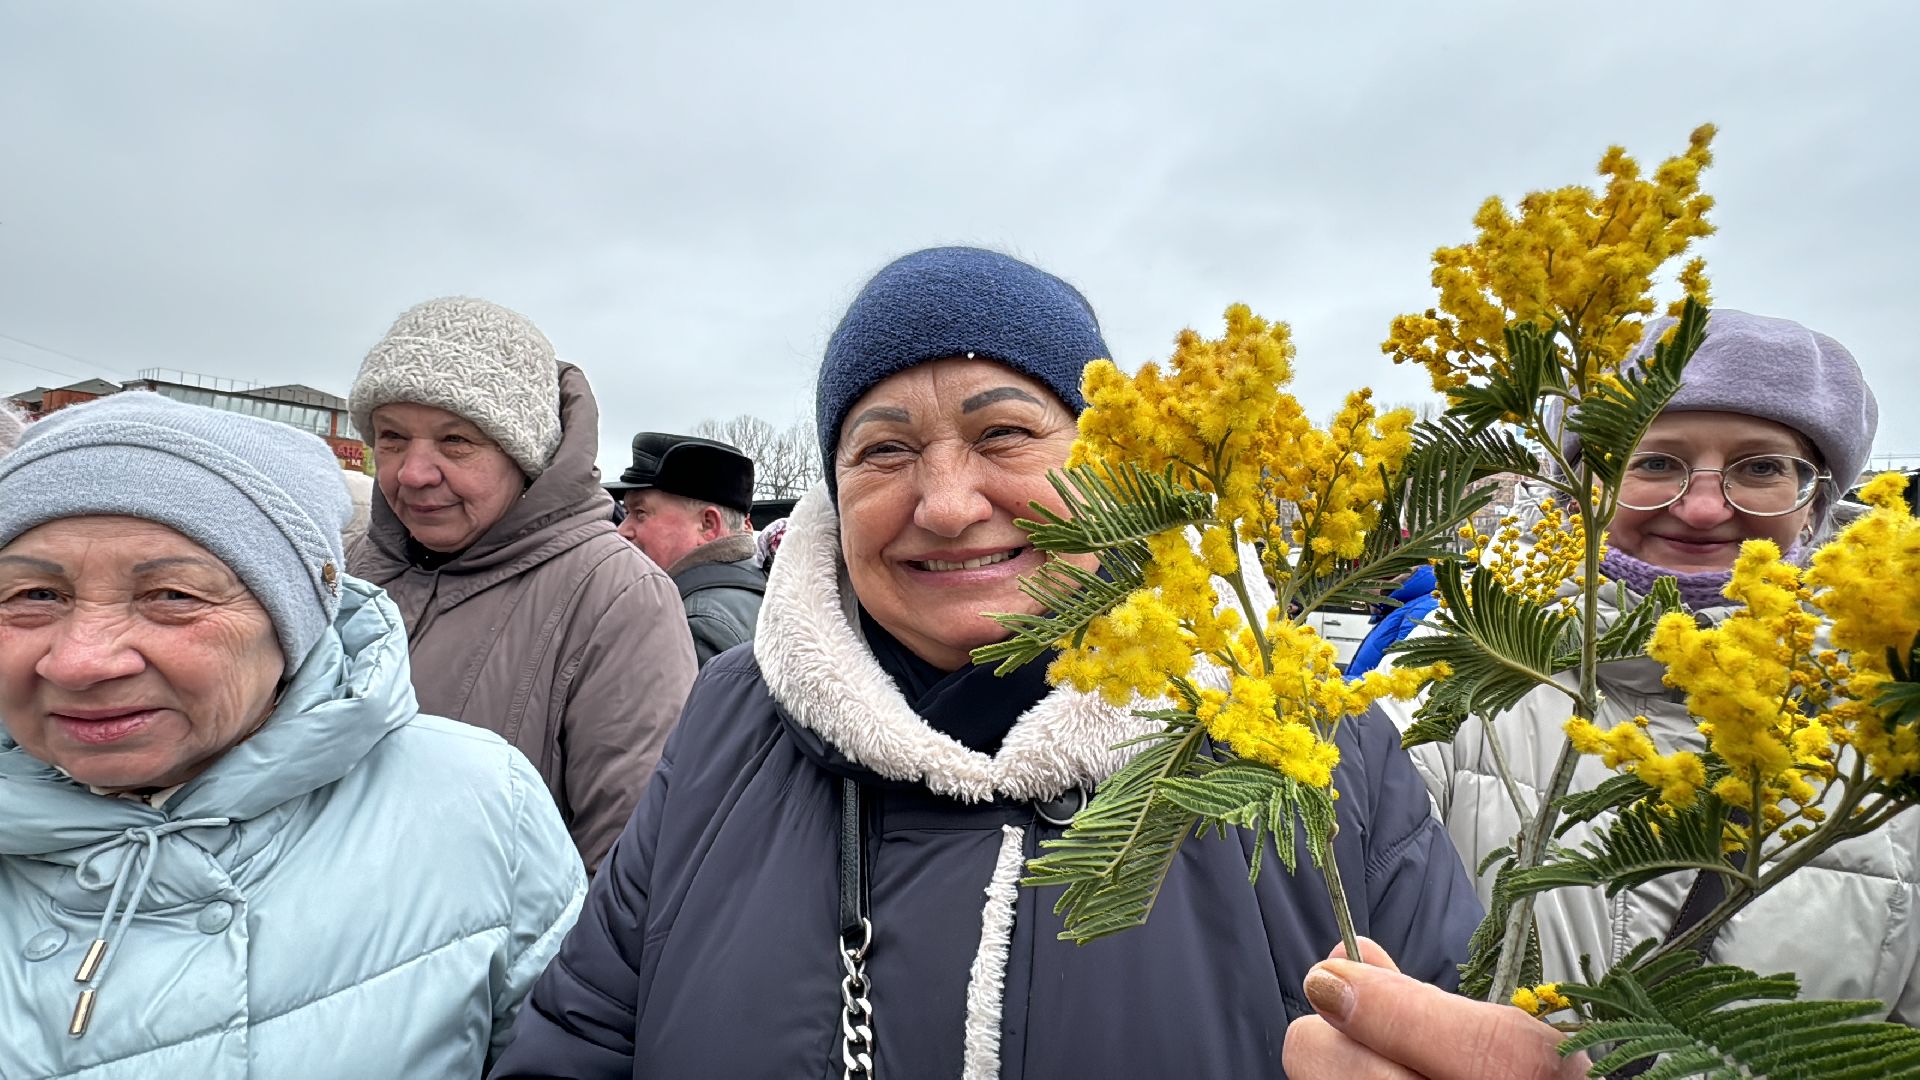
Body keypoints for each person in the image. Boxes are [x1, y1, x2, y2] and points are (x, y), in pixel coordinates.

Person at [490, 246, 1480, 1078]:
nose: (948, 503)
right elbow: (578, 1039)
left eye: (1004, 432)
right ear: (833, 497)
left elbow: (1464, 1023)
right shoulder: (727, 724)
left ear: (1111, 464)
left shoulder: (1318, 745)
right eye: (883, 451)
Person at [1368, 309, 1920, 1071]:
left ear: (1816, 497)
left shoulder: (1890, 739)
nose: (1701, 507)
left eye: (1761, 467)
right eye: (1654, 461)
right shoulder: (1446, 678)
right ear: (1583, 486)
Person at [0, 393, 583, 1078]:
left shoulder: (481, 808)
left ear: (296, 618)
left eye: (172, 596)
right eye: (35, 595)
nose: (79, 660)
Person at [347, 296, 698, 870]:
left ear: (525, 453)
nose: (413, 472)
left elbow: (631, 869)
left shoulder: (618, 598)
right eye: (390, 438)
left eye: (455, 440)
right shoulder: (353, 566)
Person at [609, 432, 766, 665]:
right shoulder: (760, 590)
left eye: (640, 513)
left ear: (707, 525)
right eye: (627, 512)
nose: (623, 530)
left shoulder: (695, 625)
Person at [1343, 563, 1438, 678]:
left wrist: (1347, 684)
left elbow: (1396, 670)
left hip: (1369, 690)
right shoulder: (1409, 605)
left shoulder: (1420, 609)